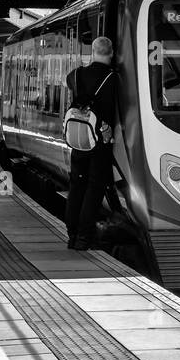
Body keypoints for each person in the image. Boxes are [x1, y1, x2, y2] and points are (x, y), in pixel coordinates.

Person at [65, 36, 118, 250]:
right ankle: (84, 238)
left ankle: (72, 235)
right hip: (100, 143)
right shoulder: (113, 79)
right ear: (111, 54)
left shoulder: (76, 75)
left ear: (93, 52)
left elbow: (67, 83)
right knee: (94, 188)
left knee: (76, 185)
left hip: (78, 139)